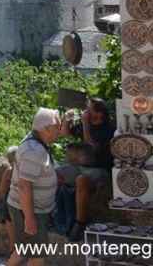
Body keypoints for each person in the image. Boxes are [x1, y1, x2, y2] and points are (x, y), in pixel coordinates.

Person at [7, 108, 62, 266]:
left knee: (24, 250)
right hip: (31, 210)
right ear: (46, 129)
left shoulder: (36, 139)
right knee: (36, 255)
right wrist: (30, 219)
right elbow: (24, 186)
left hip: (30, 209)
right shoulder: (34, 151)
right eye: (57, 127)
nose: (59, 131)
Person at [56, 98, 115, 241]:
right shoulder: (85, 124)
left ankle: (80, 223)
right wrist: (66, 118)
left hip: (99, 169)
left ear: (99, 113)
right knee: (54, 173)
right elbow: (64, 133)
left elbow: (92, 147)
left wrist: (85, 125)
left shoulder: (108, 129)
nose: (86, 112)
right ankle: (59, 217)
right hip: (80, 167)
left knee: (81, 180)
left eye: (89, 109)